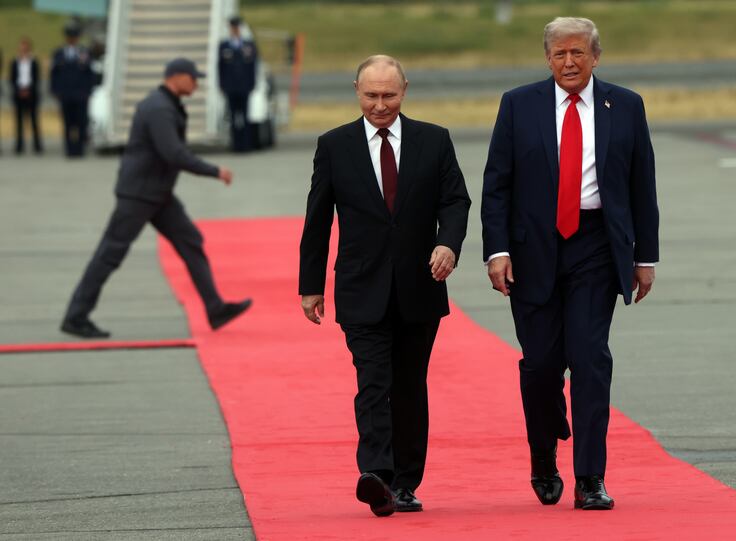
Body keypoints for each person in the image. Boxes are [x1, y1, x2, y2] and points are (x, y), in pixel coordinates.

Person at [481, 17, 659, 510]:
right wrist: (497, 251)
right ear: (547, 58)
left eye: (578, 53)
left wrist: (645, 257)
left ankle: (590, 478)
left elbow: (643, 185)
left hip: (597, 247)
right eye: (559, 54)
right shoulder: (519, 105)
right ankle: (543, 457)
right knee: (540, 367)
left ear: (595, 57)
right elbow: (497, 184)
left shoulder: (625, 106)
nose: (569, 62)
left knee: (589, 358)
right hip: (532, 249)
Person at [299, 55, 471, 516]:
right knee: (372, 382)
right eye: (371, 95)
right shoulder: (334, 145)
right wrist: (310, 285)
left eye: (389, 95)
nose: (380, 104)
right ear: (356, 90)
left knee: (410, 386)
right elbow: (318, 219)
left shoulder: (434, 141)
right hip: (360, 287)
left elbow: (456, 201)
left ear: (405, 90)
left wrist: (448, 245)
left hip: (420, 286)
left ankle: (408, 482)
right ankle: (377, 475)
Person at [61, 58, 252, 339]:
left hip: (156, 193)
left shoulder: (166, 104)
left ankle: (215, 308)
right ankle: (76, 317)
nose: (196, 84)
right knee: (110, 254)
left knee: (191, 242)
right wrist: (214, 171)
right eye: (193, 78)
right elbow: (173, 153)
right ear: (175, 77)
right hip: (139, 194)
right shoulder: (159, 108)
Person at [50, 24, 95, 157]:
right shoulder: (58, 53)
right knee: (68, 123)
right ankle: (69, 150)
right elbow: (54, 74)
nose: (72, 39)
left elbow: (90, 73)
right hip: (66, 94)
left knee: (81, 122)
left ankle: (79, 150)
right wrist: (55, 90)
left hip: (81, 94)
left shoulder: (84, 52)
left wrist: (89, 91)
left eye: (74, 36)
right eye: (70, 36)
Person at [218, 16, 258, 152]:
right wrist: (222, 85)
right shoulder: (224, 45)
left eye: (236, 27)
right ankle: (236, 145)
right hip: (230, 87)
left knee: (245, 117)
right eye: (232, 27)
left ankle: (246, 145)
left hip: (244, 86)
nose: (234, 30)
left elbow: (253, 67)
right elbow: (220, 68)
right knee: (233, 117)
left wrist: (252, 83)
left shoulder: (248, 45)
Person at [9, 37, 42, 154]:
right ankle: (19, 146)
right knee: (19, 121)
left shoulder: (33, 61)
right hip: (19, 94)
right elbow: (12, 78)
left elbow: (36, 78)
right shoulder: (15, 61)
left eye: (25, 46)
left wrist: (29, 90)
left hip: (31, 94)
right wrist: (19, 90)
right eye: (21, 46)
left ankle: (37, 146)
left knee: (34, 120)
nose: (23, 48)